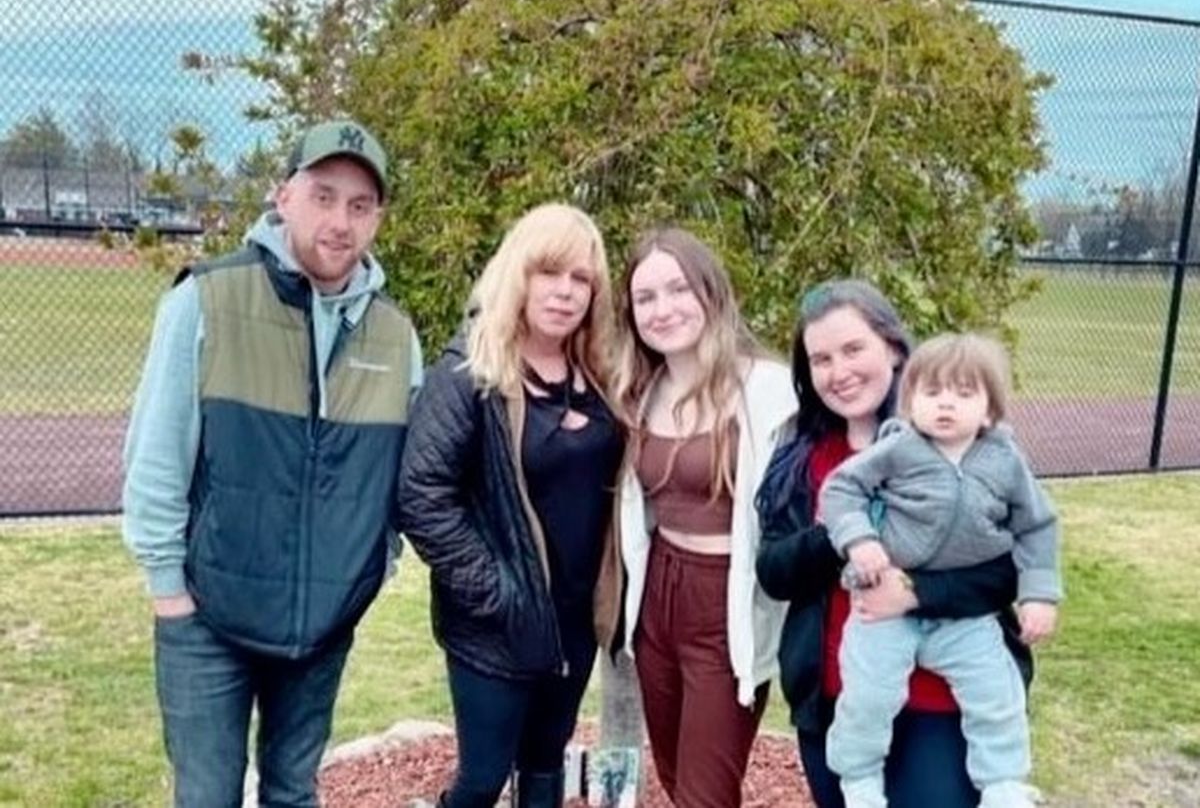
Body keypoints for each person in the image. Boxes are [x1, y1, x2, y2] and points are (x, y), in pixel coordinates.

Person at [123, 118, 424, 807]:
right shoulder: (206, 298)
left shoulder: (394, 335)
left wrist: (371, 568)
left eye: (360, 205)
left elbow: (400, 480)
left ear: (377, 218)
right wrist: (170, 594)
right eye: (323, 196)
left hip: (323, 627)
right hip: (206, 619)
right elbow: (156, 458)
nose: (340, 221)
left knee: (294, 794)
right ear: (283, 196)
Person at [755, 280, 1034, 808]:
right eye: (821, 360)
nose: (839, 371)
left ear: (894, 348)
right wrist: (845, 529)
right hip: (836, 698)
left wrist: (913, 593)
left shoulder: (960, 445)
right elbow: (774, 571)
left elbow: (1008, 572)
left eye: (853, 349)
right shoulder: (800, 455)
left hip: (940, 700)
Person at [395, 203, 624, 808]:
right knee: (482, 780)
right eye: (549, 272)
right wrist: (497, 592)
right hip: (496, 625)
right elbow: (421, 495)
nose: (565, 291)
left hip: (574, 622)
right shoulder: (470, 372)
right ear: (517, 274)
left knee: (545, 770)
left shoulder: (599, 374)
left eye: (581, 279)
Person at [821, 332, 1061, 808]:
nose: (946, 403)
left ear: (989, 410)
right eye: (932, 392)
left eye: (964, 393)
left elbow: (1037, 526)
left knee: (996, 694)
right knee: (868, 696)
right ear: (910, 401)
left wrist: (1039, 594)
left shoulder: (1005, 461)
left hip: (963, 617)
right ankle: (859, 778)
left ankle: (1004, 783)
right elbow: (840, 490)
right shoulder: (898, 448)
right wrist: (859, 539)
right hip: (883, 607)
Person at [610, 228, 795, 808]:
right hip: (657, 597)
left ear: (710, 291)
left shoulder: (766, 389)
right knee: (672, 772)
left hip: (725, 602)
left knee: (705, 794)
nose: (662, 309)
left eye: (678, 289)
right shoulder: (638, 390)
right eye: (645, 298)